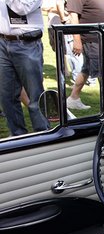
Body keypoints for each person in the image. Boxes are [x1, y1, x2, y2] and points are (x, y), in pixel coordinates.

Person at [0, 0, 50, 136]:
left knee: (35, 95)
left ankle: (42, 134)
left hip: (27, 43)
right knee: (7, 96)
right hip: (3, 42)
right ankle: (17, 134)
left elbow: (21, 8)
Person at [65, 0, 104, 110]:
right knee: (102, 71)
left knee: (88, 68)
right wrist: (77, 40)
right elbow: (73, 16)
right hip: (92, 38)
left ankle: (73, 98)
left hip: (101, 37)